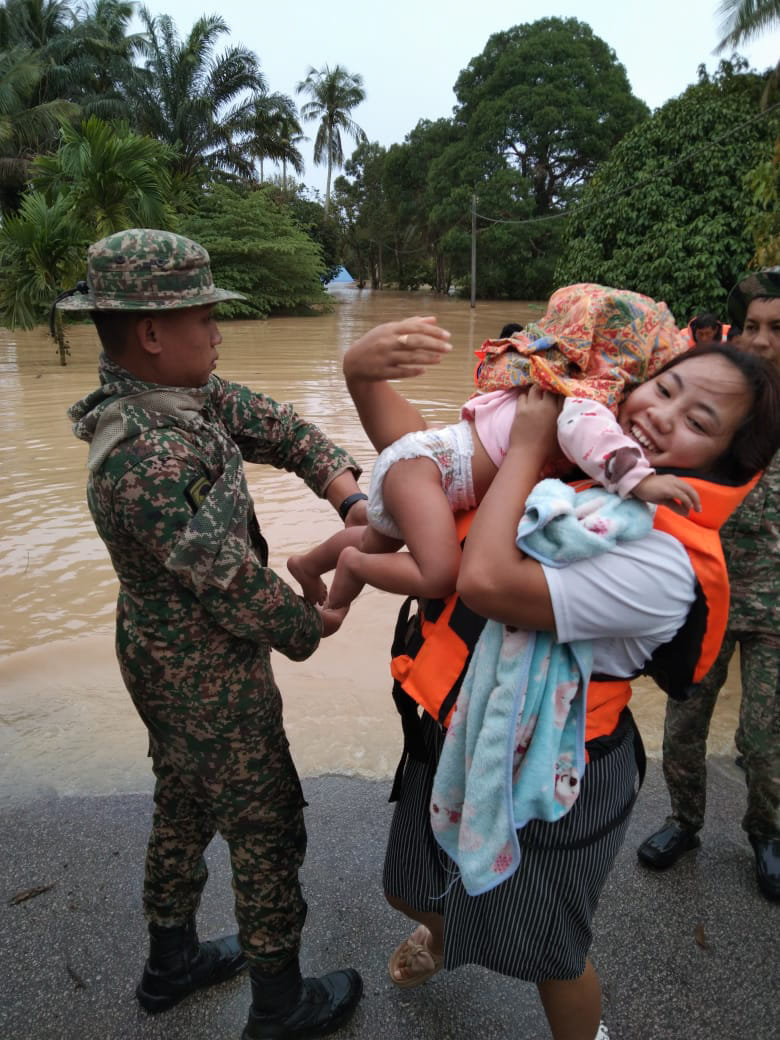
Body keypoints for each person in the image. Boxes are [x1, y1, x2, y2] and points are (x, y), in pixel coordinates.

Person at [340, 315, 780, 1040]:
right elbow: (427, 462)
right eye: (662, 389)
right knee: (408, 887)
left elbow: (482, 581)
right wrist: (363, 375)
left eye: (697, 419)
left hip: (554, 768)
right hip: (456, 730)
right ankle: (449, 935)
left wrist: (530, 447)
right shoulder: (580, 465)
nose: (660, 416)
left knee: (550, 953)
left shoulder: (661, 563)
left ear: (729, 461)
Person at [59, 229, 364, 1039]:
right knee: (266, 825)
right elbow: (231, 580)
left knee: (185, 802)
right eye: (204, 318)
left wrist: (350, 496)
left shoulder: (180, 396)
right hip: (200, 670)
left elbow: (276, 425)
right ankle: (280, 1005)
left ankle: (171, 965)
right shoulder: (145, 458)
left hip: (166, 653)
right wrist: (314, 624)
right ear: (153, 333)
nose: (218, 332)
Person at [288, 336, 699, 617]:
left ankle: (307, 565)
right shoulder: (582, 404)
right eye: (658, 387)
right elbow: (597, 441)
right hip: (433, 470)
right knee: (438, 575)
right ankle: (348, 576)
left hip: (424, 462)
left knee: (373, 538)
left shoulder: (540, 381)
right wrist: (641, 482)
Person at [638, 267, 780, 900]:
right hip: (704, 596)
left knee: (765, 735)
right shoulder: (715, 403)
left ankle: (767, 834)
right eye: (751, 326)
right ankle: (684, 821)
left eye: (777, 328)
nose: (761, 340)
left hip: (776, 611)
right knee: (683, 723)